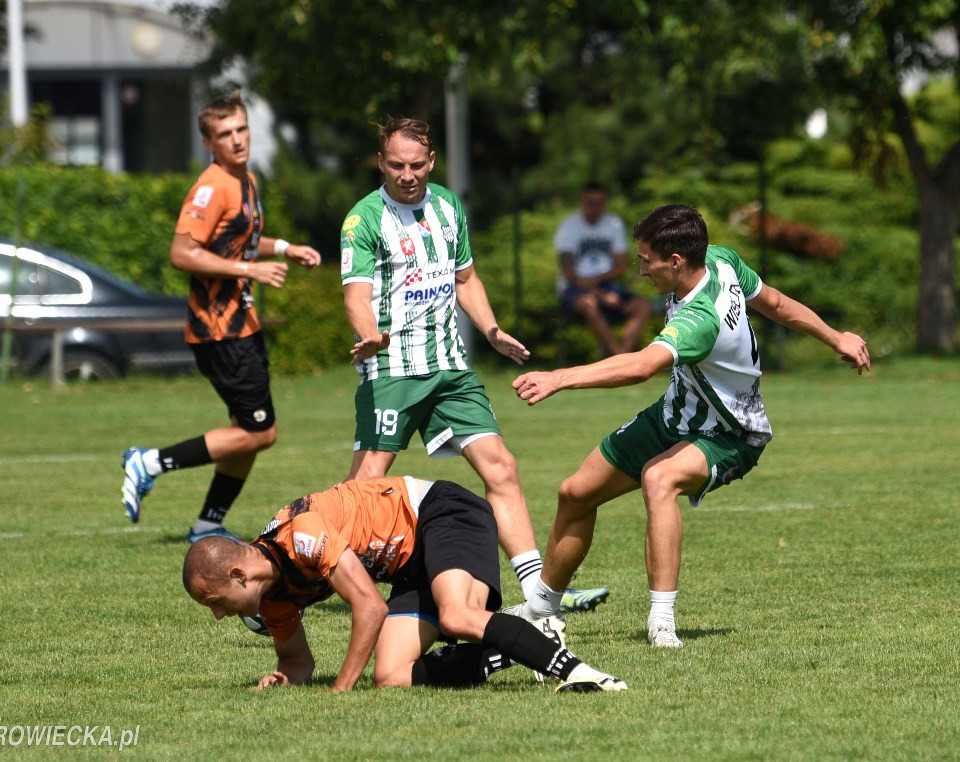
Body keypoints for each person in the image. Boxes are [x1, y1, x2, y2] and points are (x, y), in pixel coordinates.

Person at [513, 204, 870, 647]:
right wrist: (838, 338)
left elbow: (642, 365)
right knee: (575, 492)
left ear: (676, 261)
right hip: (675, 413)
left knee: (659, 478)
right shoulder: (720, 258)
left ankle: (662, 622)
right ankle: (541, 610)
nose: (641, 271)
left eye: (647, 261)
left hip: (730, 432)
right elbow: (775, 302)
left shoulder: (700, 318)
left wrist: (559, 377)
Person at [339, 117, 607, 616]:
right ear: (381, 163)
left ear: (431, 162)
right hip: (393, 369)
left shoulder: (448, 206)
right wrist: (369, 333)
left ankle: (537, 596)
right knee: (364, 490)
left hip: (451, 370)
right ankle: (291, 578)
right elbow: (355, 293)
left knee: (501, 466)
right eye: (396, 165)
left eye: (416, 165)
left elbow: (466, 280)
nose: (407, 174)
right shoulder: (364, 219)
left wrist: (492, 331)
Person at [182, 476, 627, 693]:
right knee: (392, 676)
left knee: (457, 615)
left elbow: (370, 607)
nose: (219, 614)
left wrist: (340, 691)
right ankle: (523, 641)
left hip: (441, 513)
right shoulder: (273, 601)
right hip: (409, 564)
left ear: (239, 574)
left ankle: (584, 675)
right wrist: (284, 678)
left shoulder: (302, 534)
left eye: (215, 602)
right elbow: (299, 663)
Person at [120, 94, 321, 543]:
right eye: (225, 134)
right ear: (209, 142)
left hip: (241, 325)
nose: (236, 139)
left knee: (247, 432)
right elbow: (182, 252)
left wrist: (286, 248)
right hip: (217, 329)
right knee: (260, 432)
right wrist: (251, 270)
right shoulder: (211, 186)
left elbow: (240, 239)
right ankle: (150, 462)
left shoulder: (245, 179)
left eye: (241, 129)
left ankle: (209, 523)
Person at [554, 182, 651, 356]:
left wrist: (601, 286)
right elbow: (569, 275)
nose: (595, 208)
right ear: (581, 202)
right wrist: (600, 294)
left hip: (608, 285)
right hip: (574, 289)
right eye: (590, 202)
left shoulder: (613, 223)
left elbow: (621, 266)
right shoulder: (568, 226)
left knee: (643, 306)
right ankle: (619, 357)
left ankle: (622, 355)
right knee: (589, 303)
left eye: (599, 203)